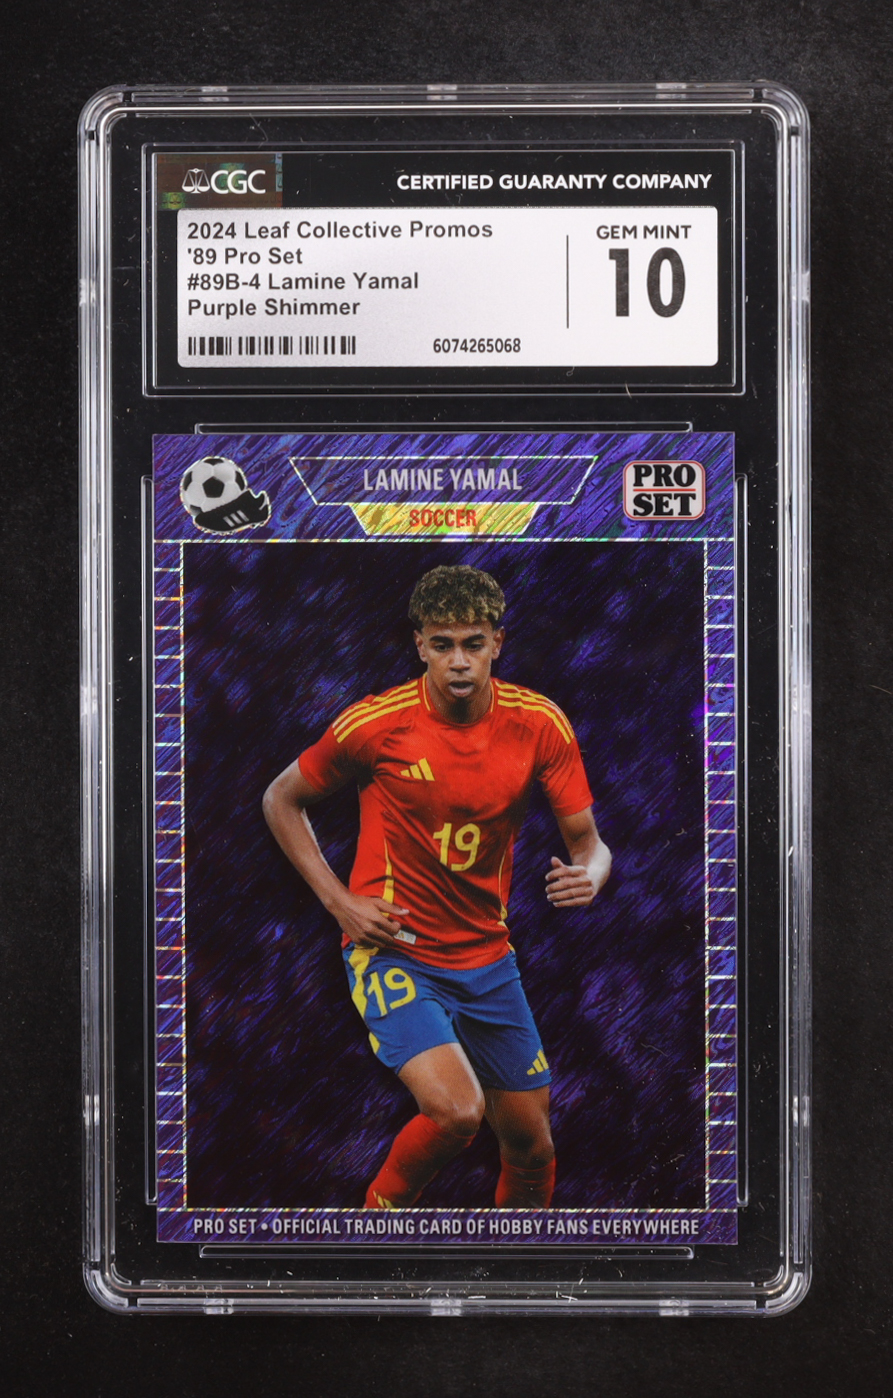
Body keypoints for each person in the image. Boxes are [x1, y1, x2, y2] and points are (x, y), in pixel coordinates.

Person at [263, 564, 611, 1209]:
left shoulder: (540, 723)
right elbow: (281, 798)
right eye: (443, 644)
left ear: (497, 644)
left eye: (473, 644)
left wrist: (589, 875)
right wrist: (341, 903)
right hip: (395, 949)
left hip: (487, 957)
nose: (458, 661)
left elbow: (589, 845)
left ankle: (521, 1262)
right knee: (456, 1111)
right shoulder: (376, 724)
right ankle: (372, 1238)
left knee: (532, 1145)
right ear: (419, 645)